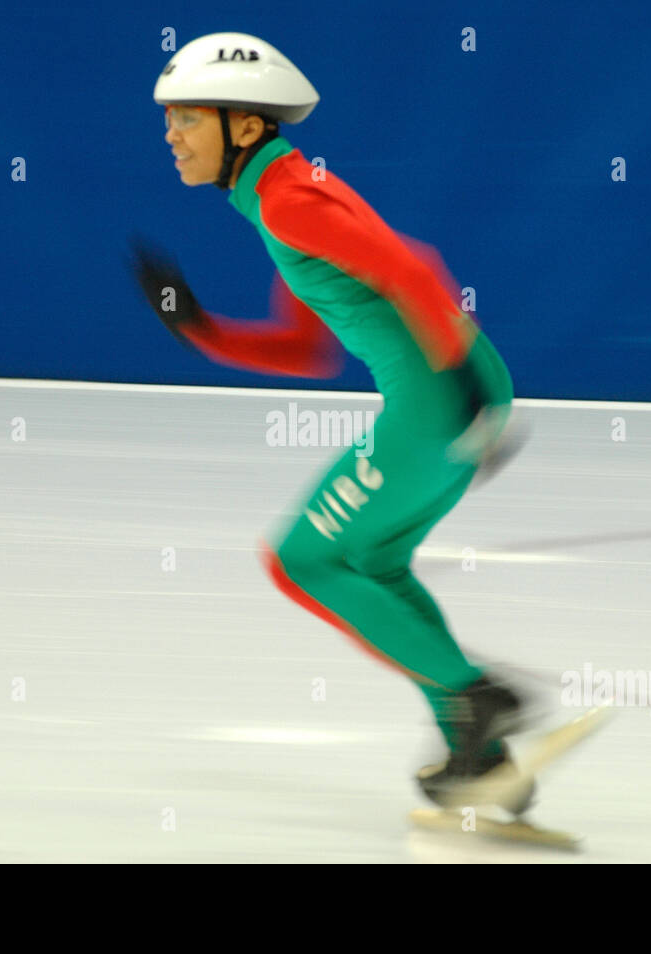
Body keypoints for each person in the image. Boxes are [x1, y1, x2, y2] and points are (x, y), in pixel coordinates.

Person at [130, 32, 536, 812]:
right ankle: (474, 747)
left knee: (300, 561)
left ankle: (474, 697)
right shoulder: (284, 192)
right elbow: (308, 349)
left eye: (186, 116)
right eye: (169, 118)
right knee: (371, 566)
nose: (171, 134)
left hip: (436, 399)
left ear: (244, 126)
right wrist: (198, 327)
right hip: (456, 389)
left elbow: (411, 271)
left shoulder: (288, 201)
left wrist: (463, 391)